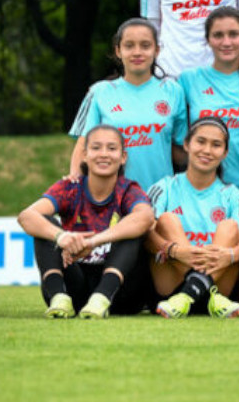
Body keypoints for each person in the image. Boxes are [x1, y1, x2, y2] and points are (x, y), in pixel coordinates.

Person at [18, 125, 155, 318]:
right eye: (96, 147)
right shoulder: (69, 188)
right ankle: (59, 298)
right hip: (76, 289)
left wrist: (93, 242)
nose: (104, 154)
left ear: (123, 157)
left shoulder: (129, 189)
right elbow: (26, 216)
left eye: (112, 148)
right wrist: (62, 237)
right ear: (84, 155)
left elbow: (146, 217)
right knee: (44, 224)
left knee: (134, 228)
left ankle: (101, 297)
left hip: (120, 295)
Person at [146, 118, 239, 318]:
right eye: (200, 141)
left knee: (230, 227)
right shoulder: (164, 188)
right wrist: (176, 251)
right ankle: (189, 291)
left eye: (216, 145)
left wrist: (229, 256)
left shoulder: (233, 195)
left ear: (225, 152)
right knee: (167, 219)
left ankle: (191, 292)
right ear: (187, 144)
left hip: (218, 293)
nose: (207, 150)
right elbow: (146, 236)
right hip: (170, 289)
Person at [68, 18, 188, 191]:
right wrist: (74, 182)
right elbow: (83, 145)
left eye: (145, 45)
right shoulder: (99, 92)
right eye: (129, 45)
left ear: (157, 50)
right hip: (111, 200)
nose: (137, 52)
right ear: (118, 50)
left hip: (161, 197)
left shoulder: (173, 91)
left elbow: (180, 151)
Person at [179, 7, 239, 189]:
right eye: (218, 35)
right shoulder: (188, 80)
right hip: (202, 189)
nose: (226, 42)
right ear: (208, 40)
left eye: (233, 34)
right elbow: (180, 141)